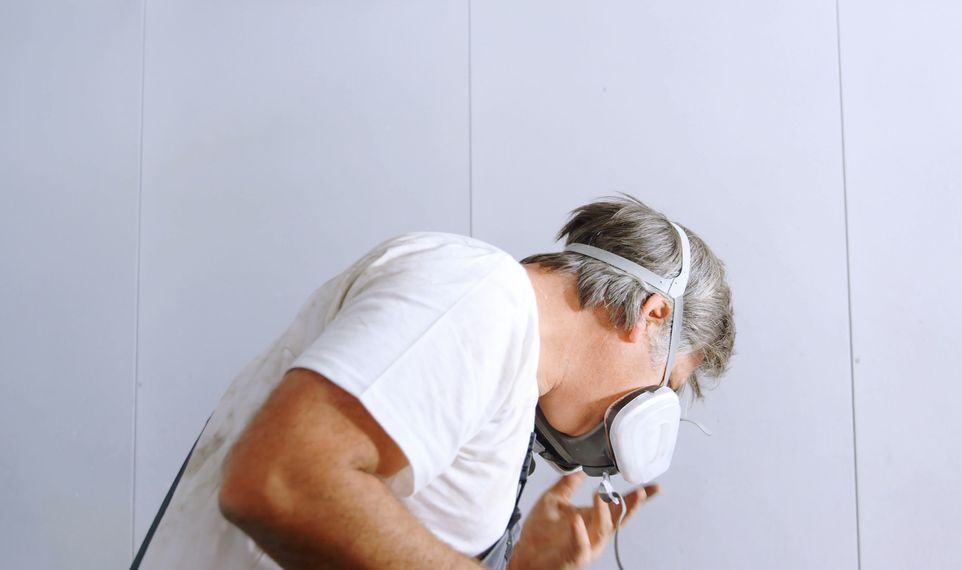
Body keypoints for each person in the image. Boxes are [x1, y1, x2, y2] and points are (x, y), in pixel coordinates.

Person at [131, 195, 735, 569]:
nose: (651, 408)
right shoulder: (480, 298)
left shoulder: (503, 368)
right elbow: (281, 480)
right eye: (668, 382)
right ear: (651, 313)